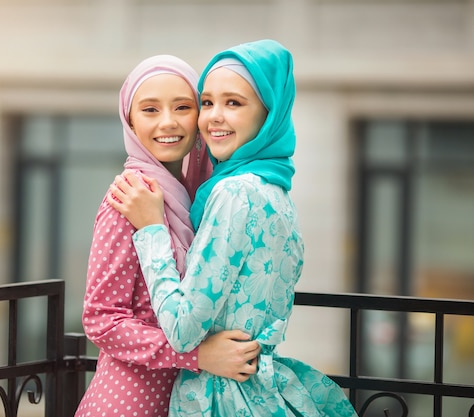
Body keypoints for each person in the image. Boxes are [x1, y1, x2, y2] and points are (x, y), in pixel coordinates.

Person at [108, 40, 359, 416]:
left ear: (268, 114)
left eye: (234, 103)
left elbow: (182, 329)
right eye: (207, 102)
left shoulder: (234, 194)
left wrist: (151, 229)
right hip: (261, 387)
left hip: (221, 397)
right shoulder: (274, 189)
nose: (213, 118)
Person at [75, 54, 261, 417]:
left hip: (188, 397)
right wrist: (198, 355)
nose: (168, 122)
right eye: (149, 110)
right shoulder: (129, 198)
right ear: (129, 121)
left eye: (182, 107)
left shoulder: (198, 194)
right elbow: (101, 319)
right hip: (132, 402)